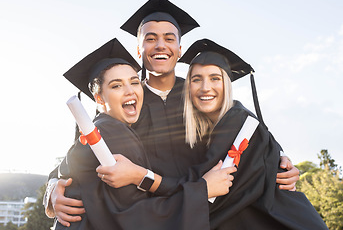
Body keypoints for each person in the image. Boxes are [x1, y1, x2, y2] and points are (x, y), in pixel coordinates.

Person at [44, 0, 299, 226]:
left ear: (179, 50)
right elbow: (78, 158)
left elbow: (246, 133)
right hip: (152, 217)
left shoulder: (202, 97)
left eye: (169, 38)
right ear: (138, 50)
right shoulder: (124, 106)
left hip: (211, 215)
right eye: (150, 38)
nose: (160, 45)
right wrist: (53, 188)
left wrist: (280, 160)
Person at [54, 37, 235, 230]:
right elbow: (133, 216)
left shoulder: (193, 97)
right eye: (116, 85)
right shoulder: (111, 132)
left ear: (179, 49)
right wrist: (202, 190)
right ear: (98, 98)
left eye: (134, 82)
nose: (129, 91)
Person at [178, 38, 328, 229]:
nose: (205, 87)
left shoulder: (239, 121)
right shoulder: (209, 128)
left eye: (215, 78)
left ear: (227, 84)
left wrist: (150, 181)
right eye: (196, 79)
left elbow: (208, 191)